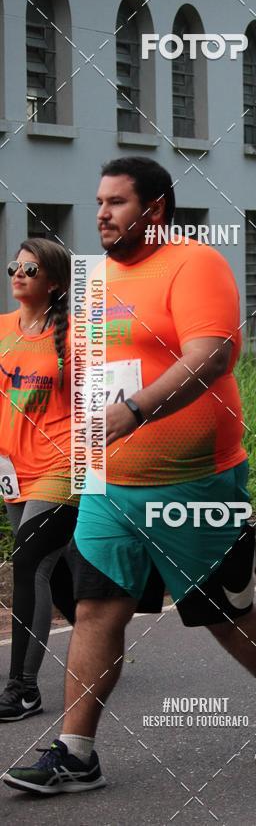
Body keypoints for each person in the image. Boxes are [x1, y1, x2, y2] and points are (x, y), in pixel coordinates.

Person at [5, 157, 256, 796]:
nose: (100, 213)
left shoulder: (193, 263)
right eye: (98, 201)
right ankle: (77, 752)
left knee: (221, 612)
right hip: (109, 482)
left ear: (153, 209)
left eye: (116, 202)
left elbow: (212, 355)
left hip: (195, 481)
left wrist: (136, 410)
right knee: (96, 608)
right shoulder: (92, 284)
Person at [0, 239, 77, 722]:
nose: (19, 273)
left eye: (31, 268)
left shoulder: (74, 334)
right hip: (12, 467)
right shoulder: (3, 328)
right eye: (14, 266)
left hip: (62, 464)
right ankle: (98, 633)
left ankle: (22, 689)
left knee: (29, 562)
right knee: (57, 563)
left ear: (53, 281)